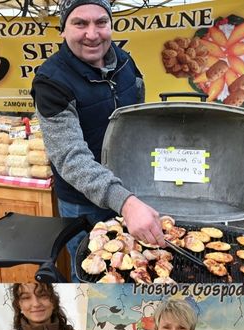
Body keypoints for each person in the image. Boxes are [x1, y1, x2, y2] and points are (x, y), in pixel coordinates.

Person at [32, 0, 166, 264]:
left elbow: (137, 118)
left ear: (111, 26)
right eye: (80, 23)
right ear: (63, 29)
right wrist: (125, 202)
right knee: (95, 280)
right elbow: (71, 157)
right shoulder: (52, 82)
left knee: (136, 267)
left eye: (101, 22)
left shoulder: (125, 61)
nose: (92, 34)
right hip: (84, 206)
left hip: (130, 191)